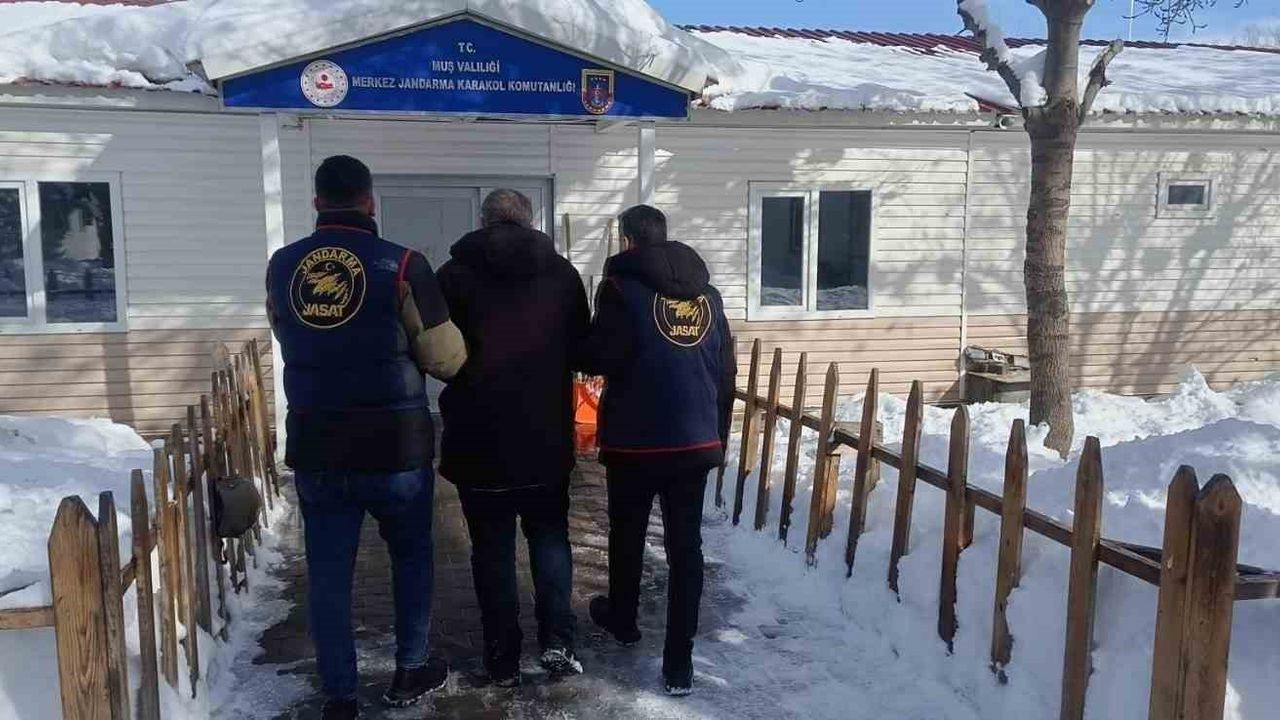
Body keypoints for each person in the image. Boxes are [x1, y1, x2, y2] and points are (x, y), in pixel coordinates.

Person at [265, 155, 466, 720]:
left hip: (318, 444)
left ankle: (340, 694)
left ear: (316, 203)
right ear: (370, 202)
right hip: (394, 446)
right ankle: (410, 668)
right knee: (411, 559)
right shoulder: (402, 264)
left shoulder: (282, 266)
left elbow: (285, 331)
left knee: (329, 574)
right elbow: (446, 358)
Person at [435, 189, 590, 686]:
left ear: (485, 222)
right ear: (529, 221)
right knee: (550, 540)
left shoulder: (452, 276)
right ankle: (558, 641)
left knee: (492, 551)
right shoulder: (562, 275)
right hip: (545, 437)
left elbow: (436, 351)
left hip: (477, 439)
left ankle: (502, 656)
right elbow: (583, 348)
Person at [580, 204, 736, 696]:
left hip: (636, 443)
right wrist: (717, 434)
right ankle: (679, 664)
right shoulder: (709, 297)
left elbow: (599, 357)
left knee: (627, 535)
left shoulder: (620, 289)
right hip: (695, 441)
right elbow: (726, 371)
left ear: (627, 241)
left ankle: (624, 620)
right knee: (686, 549)